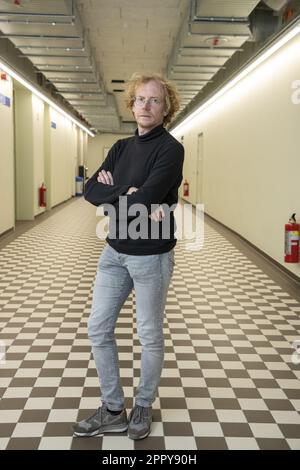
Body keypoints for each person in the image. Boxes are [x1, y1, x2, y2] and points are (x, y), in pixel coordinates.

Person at [72, 73, 184, 440]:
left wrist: (121, 195)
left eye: (154, 100)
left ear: (166, 107)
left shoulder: (170, 149)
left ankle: (143, 405)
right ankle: (112, 409)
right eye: (140, 99)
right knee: (98, 327)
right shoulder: (120, 148)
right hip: (114, 252)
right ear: (131, 104)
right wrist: (129, 192)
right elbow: (90, 191)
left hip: (151, 255)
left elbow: (147, 197)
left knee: (149, 334)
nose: (146, 106)